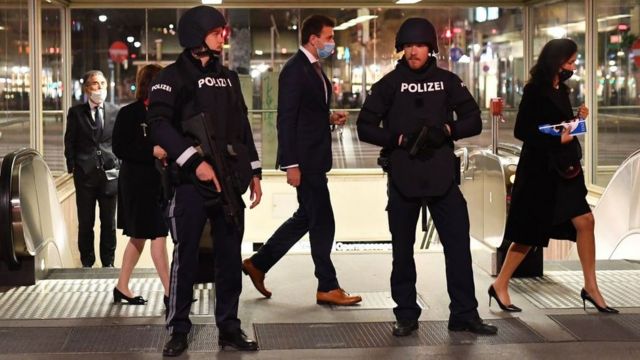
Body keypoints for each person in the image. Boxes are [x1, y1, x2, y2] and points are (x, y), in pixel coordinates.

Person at [357, 17, 498, 337]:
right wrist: (399, 140)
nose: (412, 52)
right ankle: (406, 314)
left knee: (458, 248)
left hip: (442, 178)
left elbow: (473, 120)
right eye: (407, 46)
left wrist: (446, 131)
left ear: (431, 48)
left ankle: (464, 313)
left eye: (418, 45)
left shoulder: (447, 82)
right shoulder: (389, 84)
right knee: (402, 252)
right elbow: (364, 126)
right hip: (404, 177)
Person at [147, 6, 263, 356]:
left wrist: (255, 172)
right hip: (189, 184)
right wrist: (193, 161)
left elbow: (242, 127)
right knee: (187, 259)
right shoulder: (171, 76)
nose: (222, 38)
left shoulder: (228, 77)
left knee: (230, 259)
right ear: (197, 35)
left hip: (228, 182)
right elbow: (159, 125)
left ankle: (229, 329)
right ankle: (178, 329)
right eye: (216, 32)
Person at [488, 38, 618, 314]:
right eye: (569, 61)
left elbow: (557, 125)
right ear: (556, 61)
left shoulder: (562, 90)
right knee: (529, 234)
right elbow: (524, 131)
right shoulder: (535, 91)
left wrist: (575, 119)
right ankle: (500, 283)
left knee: (585, 221)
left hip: (566, 170)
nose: (572, 66)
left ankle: (591, 286)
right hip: (541, 173)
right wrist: (559, 139)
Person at [241, 14, 362, 307]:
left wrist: (329, 117)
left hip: (315, 158)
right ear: (313, 39)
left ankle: (259, 263)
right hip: (305, 162)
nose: (332, 42)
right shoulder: (295, 70)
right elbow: (286, 118)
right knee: (323, 221)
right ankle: (327, 286)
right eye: (329, 37)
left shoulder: (313, 68)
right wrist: (291, 164)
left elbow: (307, 113)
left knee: (307, 217)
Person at [112, 64, 169, 306]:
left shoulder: (164, 113)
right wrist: (152, 151)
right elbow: (119, 148)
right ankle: (171, 292)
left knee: (141, 237)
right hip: (137, 183)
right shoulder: (129, 113)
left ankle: (122, 286)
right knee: (156, 234)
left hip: (158, 182)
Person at [64, 70, 119, 268]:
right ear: (87, 89)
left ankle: (108, 263)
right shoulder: (76, 113)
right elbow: (69, 141)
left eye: (103, 83)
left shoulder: (115, 111)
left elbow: (119, 142)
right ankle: (87, 262)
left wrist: (118, 164)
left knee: (109, 223)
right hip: (85, 176)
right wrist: (73, 167)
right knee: (86, 223)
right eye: (95, 84)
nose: (100, 88)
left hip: (109, 175)